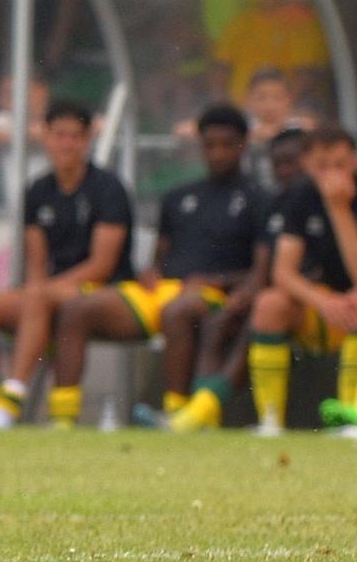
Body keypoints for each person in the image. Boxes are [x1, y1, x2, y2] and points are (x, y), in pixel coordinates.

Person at [48, 106, 266, 429]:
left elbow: (262, 268)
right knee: (76, 309)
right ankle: (62, 420)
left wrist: (222, 281)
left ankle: (177, 413)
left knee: (177, 311)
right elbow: (159, 257)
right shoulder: (179, 197)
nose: (218, 153)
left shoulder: (259, 197)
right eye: (210, 145)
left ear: (244, 144)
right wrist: (150, 271)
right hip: (164, 290)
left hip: (211, 296)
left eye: (227, 144)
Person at [0, 99, 134, 428]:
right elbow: (36, 261)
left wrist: (41, 292)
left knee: (37, 296)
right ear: (45, 137)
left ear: (87, 140)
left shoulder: (108, 189)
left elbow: (101, 265)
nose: (67, 144)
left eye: (75, 136)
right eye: (59, 135)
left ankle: (11, 399)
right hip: (50, 293)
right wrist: (37, 290)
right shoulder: (37, 190)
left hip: (103, 292)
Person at [172, 126, 304, 431]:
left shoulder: (322, 200)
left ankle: (225, 411)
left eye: (292, 162)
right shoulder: (276, 204)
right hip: (285, 295)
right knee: (222, 320)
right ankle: (202, 411)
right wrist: (244, 290)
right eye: (278, 165)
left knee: (263, 310)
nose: (285, 171)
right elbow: (263, 265)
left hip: (312, 299)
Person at [230, 126, 357, 436]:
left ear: (354, 160)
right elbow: (283, 273)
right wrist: (322, 300)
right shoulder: (300, 195)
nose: (331, 174)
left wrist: (339, 209)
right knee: (270, 303)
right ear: (307, 164)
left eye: (339, 164)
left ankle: (351, 416)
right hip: (325, 310)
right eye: (321, 166)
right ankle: (270, 420)